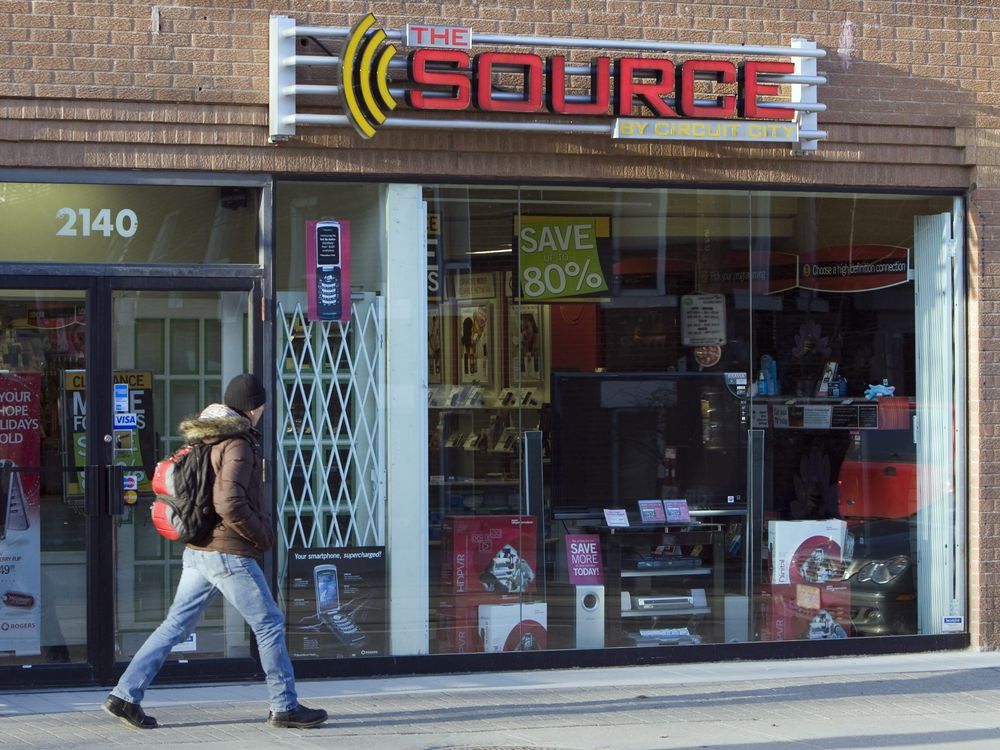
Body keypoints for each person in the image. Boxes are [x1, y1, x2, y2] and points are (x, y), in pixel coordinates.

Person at [102, 373, 327, 730]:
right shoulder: (237, 443)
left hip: (199, 549)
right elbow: (229, 502)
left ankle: (125, 695)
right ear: (255, 407)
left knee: (175, 625)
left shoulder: (208, 437)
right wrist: (262, 535)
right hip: (227, 551)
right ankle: (284, 705)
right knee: (269, 624)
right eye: (263, 406)